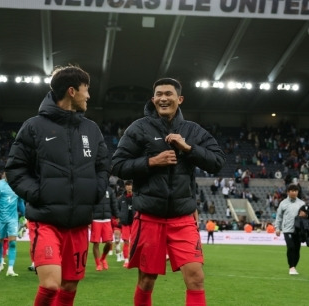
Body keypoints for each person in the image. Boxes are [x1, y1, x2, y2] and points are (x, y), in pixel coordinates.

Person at [111, 77, 226, 306]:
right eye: (159, 95)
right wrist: (152, 161)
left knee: (196, 277)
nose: (164, 98)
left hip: (182, 218)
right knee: (146, 280)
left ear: (179, 99)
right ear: (153, 100)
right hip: (149, 217)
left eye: (169, 94)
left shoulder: (192, 131)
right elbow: (116, 166)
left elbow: (218, 162)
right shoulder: (139, 128)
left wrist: (188, 148)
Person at [6, 65, 109, 306]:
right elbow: (15, 169)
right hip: (46, 219)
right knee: (51, 284)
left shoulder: (91, 129)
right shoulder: (34, 127)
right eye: (87, 89)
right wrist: (38, 193)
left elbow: (103, 166)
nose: (89, 96)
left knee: (70, 286)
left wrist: (95, 191)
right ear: (72, 91)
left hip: (79, 222)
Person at [0, 171, 25, 277]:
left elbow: (21, 203)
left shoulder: (18, 186)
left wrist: (25, 216)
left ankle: (10, 268)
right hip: (0, 219)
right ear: (5, 174)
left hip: (13, 219)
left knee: (12, 243)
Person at [275, 184, 306, 275]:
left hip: (298, 230)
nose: (294, 192)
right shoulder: (283, 203)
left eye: (296, 191)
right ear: (288, 192)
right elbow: (279, 216)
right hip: (287, 229)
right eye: (292, 191)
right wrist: (277, 228)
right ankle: (291, 267)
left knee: (297, 249)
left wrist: (305, 215)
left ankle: (294, 267)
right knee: (291, 247)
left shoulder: (302, 203)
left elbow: (307, 216)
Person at [91, 185, 119, 271]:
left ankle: (103, 259)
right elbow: (89, 204)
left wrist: (117, 215)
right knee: (96, 243)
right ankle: (98, 264)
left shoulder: (110, 190)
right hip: (96, 220)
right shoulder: (93, 189)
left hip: (107, 220)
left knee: (110, 243)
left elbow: (113, 203)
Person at [118, 180, 134, 267]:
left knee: (135, 242)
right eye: (127, 185)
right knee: (126, 241)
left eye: (130, 185)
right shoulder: (121, 199)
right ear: (125, 187)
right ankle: (126, 260)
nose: (129, 187)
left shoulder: (136, 197)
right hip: (125, 223)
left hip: (135, 222)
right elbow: (117, 209)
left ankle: (133, 259)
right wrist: (120, 216)